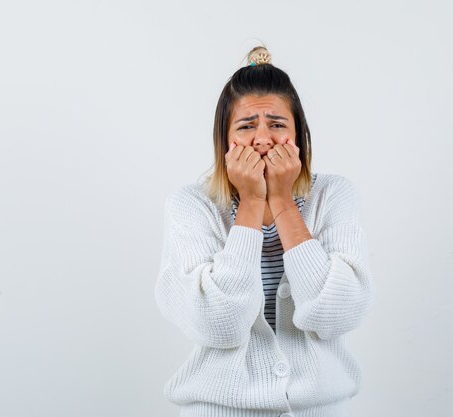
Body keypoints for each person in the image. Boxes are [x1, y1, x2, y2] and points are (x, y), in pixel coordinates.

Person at [154, 45, 375, 417]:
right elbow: (217, 324)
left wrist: (284, 202)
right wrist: (253, 204)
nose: (262, 139)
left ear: (299, 136)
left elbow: (338, 314)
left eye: (277, 124)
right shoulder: (192, 205)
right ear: (224, 141)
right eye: (245, 126)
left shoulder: (333, 195)